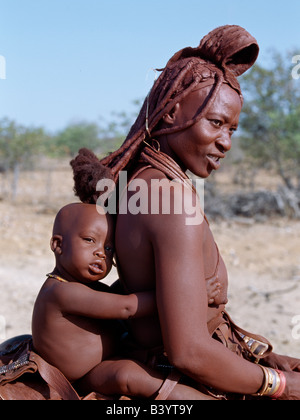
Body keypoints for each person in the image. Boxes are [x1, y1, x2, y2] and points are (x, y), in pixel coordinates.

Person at [70, 25, 300, 400]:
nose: (226, 142)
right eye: (216, 123)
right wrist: (280, 386)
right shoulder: (169, 200)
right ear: (174, 110)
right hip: (177, 375)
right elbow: (189, 350)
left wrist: (267, 358)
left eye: (233, 129)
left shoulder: (140, 184)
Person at [32, 202, 216, 399]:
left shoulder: (81, 286)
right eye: (89, 240)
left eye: (109, 248)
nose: (101, 253)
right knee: (127, 375)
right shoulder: (60, 291)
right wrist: (185, 294)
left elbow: (115, 299)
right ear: (58, 245)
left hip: (105, 360)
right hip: (81, 378)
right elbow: (126, 307)